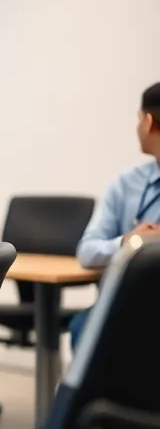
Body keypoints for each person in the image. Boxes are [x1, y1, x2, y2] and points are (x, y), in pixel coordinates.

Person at [70, 82, 160, 347]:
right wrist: (128, 243)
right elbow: (87, 251)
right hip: (129, 305)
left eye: (137, 119)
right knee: (84, 328)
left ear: (148, 121)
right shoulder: (127, 184)